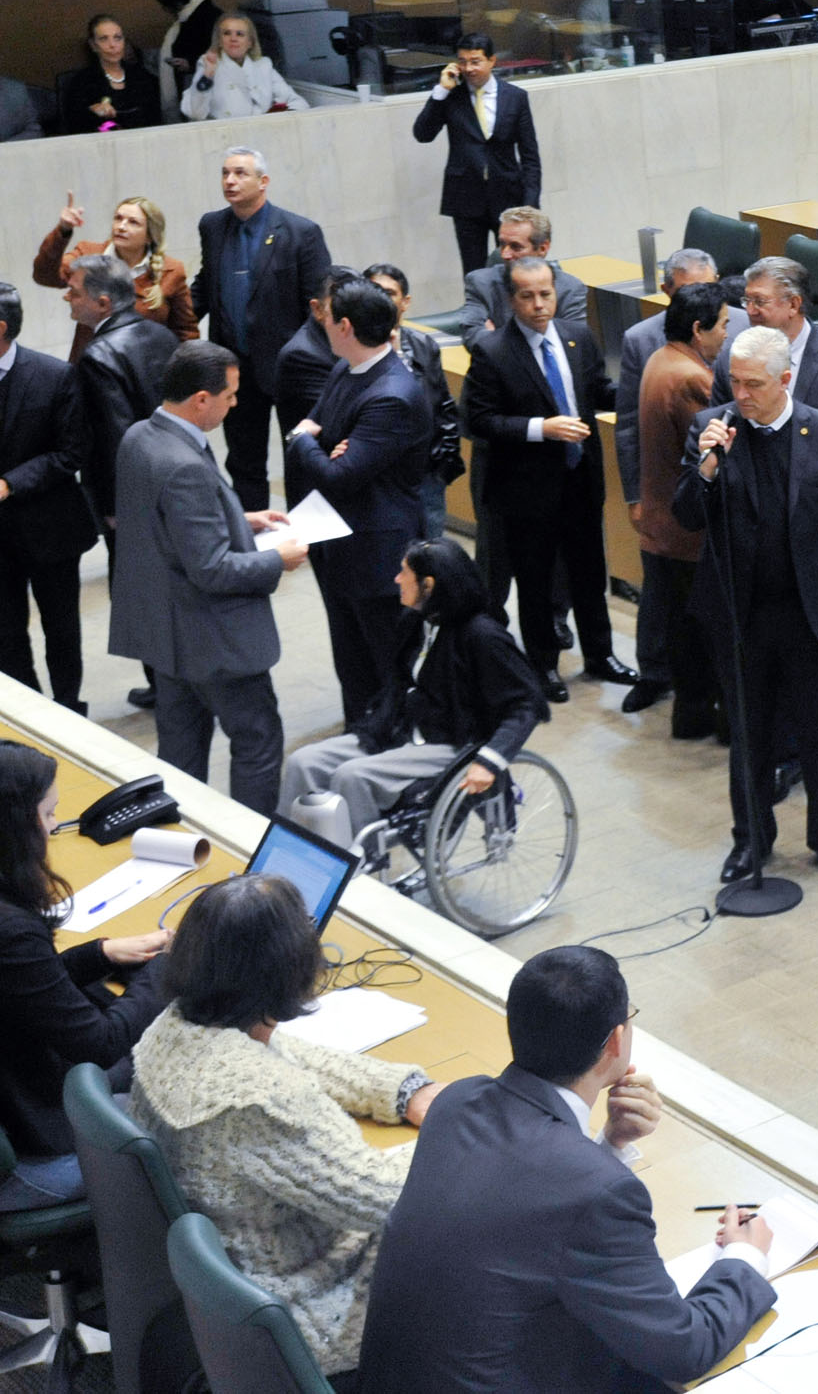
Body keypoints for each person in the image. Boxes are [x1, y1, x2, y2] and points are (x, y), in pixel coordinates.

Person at [359, 946, 776, 1394]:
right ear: (616, 1041)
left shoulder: (457, 1103)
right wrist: (744, 1257)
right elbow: (683, 1349)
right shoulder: (597, 1193)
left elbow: (529, 1214)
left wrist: (610, 1142)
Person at [130, 874, 440, 1380]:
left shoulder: (176, 1027)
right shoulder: (261, 1100)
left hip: (228, 1286)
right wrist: (467, 1129)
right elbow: (385, 1199)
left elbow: (284, 1052)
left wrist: (402, 1090)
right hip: (303, 1301)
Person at [677, 325, 818, 885]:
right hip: (740, 617)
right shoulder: (710, 430)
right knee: (750, 736)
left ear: (785, 379)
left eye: (752, 385)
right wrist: (709, 465)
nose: (739, 395)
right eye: (734, 382)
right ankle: (751, 841)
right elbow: (687, 515)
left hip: (810, 615)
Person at [709, 255, 818, 804]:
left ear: (794, 305)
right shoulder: (734, 361)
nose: (749, 310)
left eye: (760, 301)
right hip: (763, 559)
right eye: (746, 301)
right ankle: (786, 761)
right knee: (773, 688)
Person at [109, 342, 308, 811]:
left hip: (167, 636)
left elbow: (166, 529)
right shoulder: (184, 466)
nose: (235, 403)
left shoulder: (140, 437)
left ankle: (184, 844)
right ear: (201, 398)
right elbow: (213, 568)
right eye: (231, 395)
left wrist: (242, 517)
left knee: (180, 753)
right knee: (257, 742)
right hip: (215, 642)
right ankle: (249, 854)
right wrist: (279, 558)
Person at [279, 539, 546, 843]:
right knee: (304, 762)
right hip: (403, 729)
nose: (396, 579)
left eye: (404, 572)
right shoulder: (415, 621)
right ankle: (289, 853)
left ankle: (360, 865)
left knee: (351, 777)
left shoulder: (483, 636)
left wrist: (491, 760)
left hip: (451, 741)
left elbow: (528, 703)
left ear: (428, 584)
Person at [0, 741, 170, 1212]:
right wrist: (164, 972)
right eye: (48, 813)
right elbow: (99, 1043)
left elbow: (24, 985)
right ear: (16, 825)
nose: (55, 827)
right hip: (35, 1151)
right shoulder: (10, 930)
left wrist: (101, 953)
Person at [461, 256, 637, 701]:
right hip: (526, 491)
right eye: (528, 296)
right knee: (536, 582)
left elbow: (597, 389)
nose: (539, 305)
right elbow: (479, 421)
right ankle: (544, 667)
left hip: (580, 481)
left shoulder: (578, 337)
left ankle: (601, 655)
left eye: (546, 294)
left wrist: (637, 390)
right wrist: (542, 428)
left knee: (589, 574)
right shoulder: (492, 351)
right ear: (510, 298)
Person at [285, 280, 433, 727]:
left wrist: (301, 442)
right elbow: (321, 423)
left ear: (344, 326)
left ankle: (389, 759)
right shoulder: (346, 369)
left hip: (380, 561)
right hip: (340, 546)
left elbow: (339, 473)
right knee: (352, 670)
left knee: (385, 674)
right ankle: (361, 745)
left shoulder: (392, 394)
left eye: (328, 318)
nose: (322, 324)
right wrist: (319, 439)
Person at [192, 146, 334, 511]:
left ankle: (307, 534)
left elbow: (319, 307)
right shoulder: (212, 226)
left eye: (240, 173)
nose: (229, 181)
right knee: (244, 462)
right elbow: (207, 286)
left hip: (292, 369)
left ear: (263, 181)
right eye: (225, 173)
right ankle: (253, 537)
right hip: (233, 367)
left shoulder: (300, 232)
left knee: (301, 454)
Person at [630, 280, 731, 734]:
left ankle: (691, 717)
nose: (727, 335)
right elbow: (713, 450)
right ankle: (714, 719)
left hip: (660, 524)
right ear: (698, 329)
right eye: (723, 326)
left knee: (680, 631)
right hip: (687, 531)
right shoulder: (692, 377)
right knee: (705, 635)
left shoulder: (658, 358)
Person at [0, 286, 97, 715]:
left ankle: (69, 706)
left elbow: (70, 453)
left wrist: (9, 483)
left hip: (50, 529)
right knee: (5, 632)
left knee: (61, 628)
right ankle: (34, 712)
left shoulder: (54, 376)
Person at [69, 252, 179, 558]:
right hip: (174, 478)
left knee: (135, 590)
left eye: (75, 293)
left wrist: (115, 505)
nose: (68, 298)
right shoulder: (164, 335)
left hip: (133, 498)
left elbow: (114, 439)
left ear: (103, 303)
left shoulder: (97, 356)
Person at [615, 247, 735, 525]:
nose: (700, 300)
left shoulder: (662, 356)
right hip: (686, 519)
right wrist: (634, 497)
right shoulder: (687, 374)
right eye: (688, 293)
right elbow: (629, 427)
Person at [413, 32, 543, 274]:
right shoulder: (451, 97)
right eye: (462, 62)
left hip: (508, 197)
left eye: (475, 61)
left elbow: (530, 157)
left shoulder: (515, 98)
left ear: (492, 61)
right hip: (466, 197)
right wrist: (441, 90)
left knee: (516, 269)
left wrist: (530, 207)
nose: (469, 68)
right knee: (474, 273)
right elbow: (422, 133)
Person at [33, 191, 198, 357]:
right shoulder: (88, 254)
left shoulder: (171, 271)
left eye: (133, 222)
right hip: (91, 364)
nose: (121, 226)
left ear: (150, 236)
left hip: (142, 370)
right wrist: (63, 230)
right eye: (118, 218)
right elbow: (44, 275)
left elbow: (186, 333)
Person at [363, 264, 461, 541]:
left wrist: (443, 463)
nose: (381, 299)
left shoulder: (423, 345)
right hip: (379, 479)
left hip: (426, 477)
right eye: (374, 291)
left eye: (389, 293)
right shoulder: (352, 349)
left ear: (405, 302)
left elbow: (443, 405)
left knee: (430, 556)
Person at [456, 206, 589, 347]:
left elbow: (573, 345)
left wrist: (497, 338)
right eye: (502, 244)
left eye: (516, 247)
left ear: (543, 248)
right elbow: (472, 335)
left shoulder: (570, 289)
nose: (504, 254)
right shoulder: (480, 283)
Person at [180, 12, 310, 120]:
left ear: (250, 42)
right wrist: (208, 75)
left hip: (261, 135)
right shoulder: (207, 63)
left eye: (240, 34)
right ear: (219, 41)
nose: (233, 38)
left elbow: (296, 102)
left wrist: (276, 118)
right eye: (227, 33)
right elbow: (195, 113)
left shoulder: (263, 65)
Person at [58, 13, 164, 136]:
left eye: (117, 38)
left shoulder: (143, 78)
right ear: (93, 45)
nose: (112, 45)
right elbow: (73, 127)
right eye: (104, 39)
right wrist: (91, 112)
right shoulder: (81, 82)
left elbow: (156, 122)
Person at [276, 268, 346, 435]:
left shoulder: (348, 337)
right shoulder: (301, 355)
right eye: (340, 307)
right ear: (317, 309)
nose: (350, 315)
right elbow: (343, 417)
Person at [152, 0, 222, 111]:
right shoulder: (203, 14)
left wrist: (189, 64)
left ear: (175, 3)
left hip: (206, 98)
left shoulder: (203, 19)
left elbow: (217, 58)